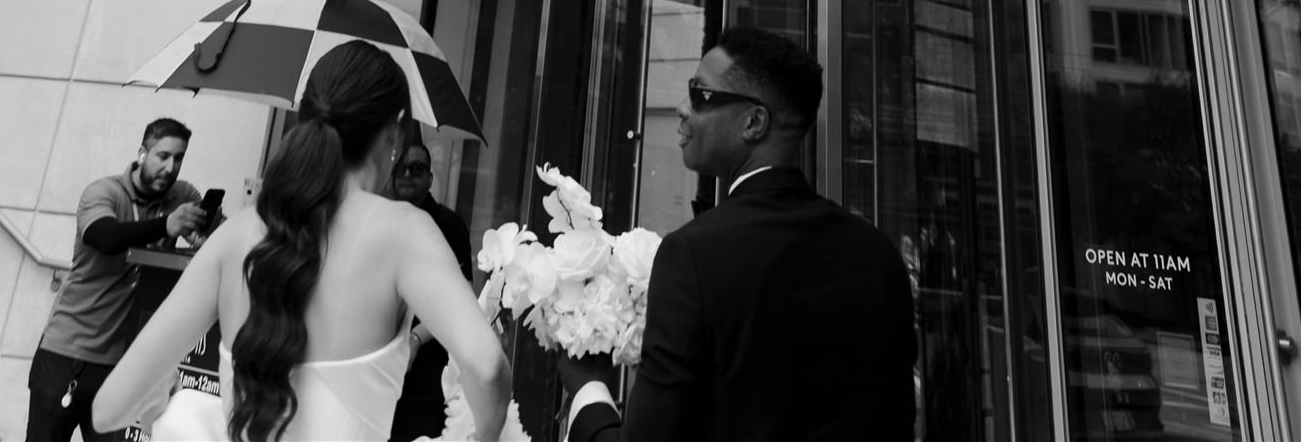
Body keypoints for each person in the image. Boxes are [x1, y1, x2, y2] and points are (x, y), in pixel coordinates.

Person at [92, 41, 512, 442]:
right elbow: (488, 368)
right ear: (397, 133)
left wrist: (167, 412)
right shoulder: (404, 231)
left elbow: (108, 409)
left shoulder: (237, 233)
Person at [563, 27, 917, 442]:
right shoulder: (878, 255)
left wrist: (587, 387)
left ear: (753, 122)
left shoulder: (692, 256)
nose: (682, 108)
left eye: (700, 95)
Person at [27, 117, 204, 442]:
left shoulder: (183, 197)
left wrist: (207, 236)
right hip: (67, 354)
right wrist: (166, 226)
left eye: (179, 158)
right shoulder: (103, 192)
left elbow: (219, 234)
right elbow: (103, 236)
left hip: (122, 365)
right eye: (162, 156)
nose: (171, 166)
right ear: (141, 154)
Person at [387, 133, 473, 442]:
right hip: (380, 374)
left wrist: (415, 339)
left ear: (431, 177)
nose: (408, 175)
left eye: (417, 169)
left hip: (425, 377)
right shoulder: (379, 221)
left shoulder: (448, 225)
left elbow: (461, 298)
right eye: (401, 168)